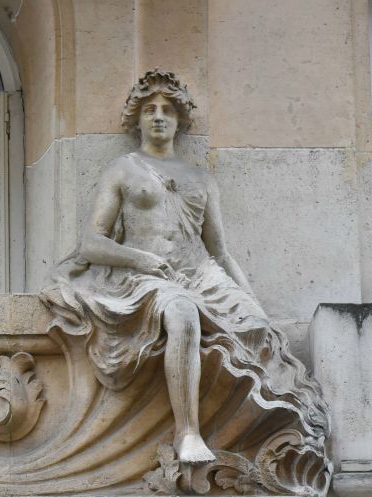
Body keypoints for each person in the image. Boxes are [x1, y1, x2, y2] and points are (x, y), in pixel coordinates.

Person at [43, 70, 326, 464]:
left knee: (258, 330)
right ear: (137, 119)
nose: (159, 116)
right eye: (150, 110)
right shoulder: (122, 170)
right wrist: (141, 259)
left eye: (167, 110)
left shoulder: (201, 179)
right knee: (181, 313)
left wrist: (253, 303)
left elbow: (221, 252)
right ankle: (187, 433)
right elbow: (91, 244)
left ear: (180, 120)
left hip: (200, 273)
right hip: (142, 276)